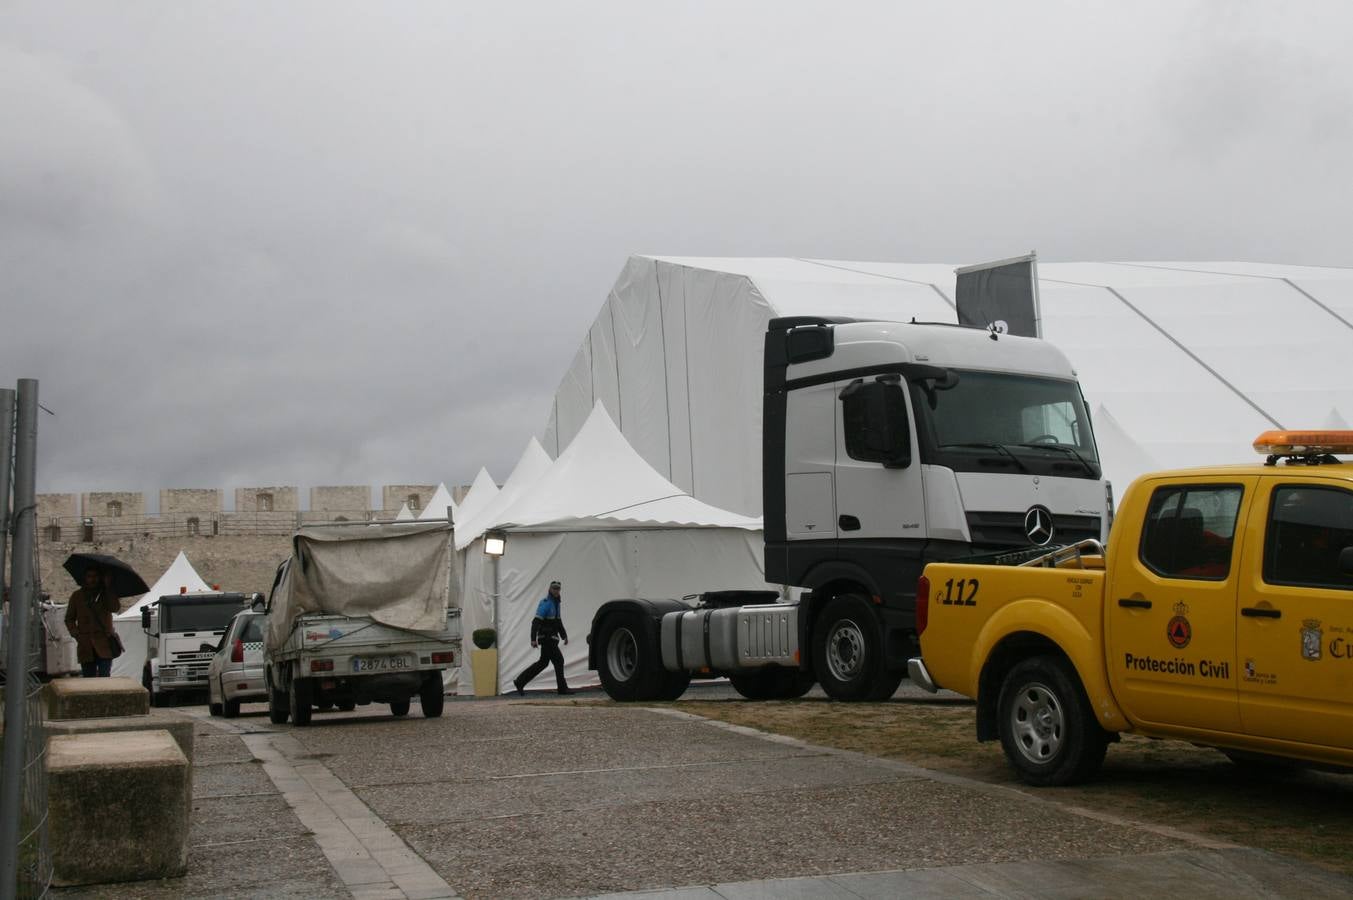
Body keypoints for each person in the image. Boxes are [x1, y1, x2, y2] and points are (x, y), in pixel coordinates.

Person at [512, 580, 575, 695]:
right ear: (550, 589)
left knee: (543, 663)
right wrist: (533, 639)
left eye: (558, 589)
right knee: (559, 660)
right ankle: (562, 688)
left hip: (551, 638)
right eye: (554, 588)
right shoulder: (546, 604)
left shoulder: (557, 604)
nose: (556, 590)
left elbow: (558, 621)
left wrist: (564, 635)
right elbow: (535, 622)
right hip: (546, 639)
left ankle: (520, 681)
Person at [65, 566, 121, 678]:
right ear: (85, 578)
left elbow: (114, 608)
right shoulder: (77, 596)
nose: (92, 579)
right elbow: (69, 619)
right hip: (86, 645)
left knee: (105, 677)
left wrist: (108, 587)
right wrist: (76, 634)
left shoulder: (106, 593)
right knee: (88, 679)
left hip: (104, 643)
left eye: (95, 576)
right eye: (89, 576)